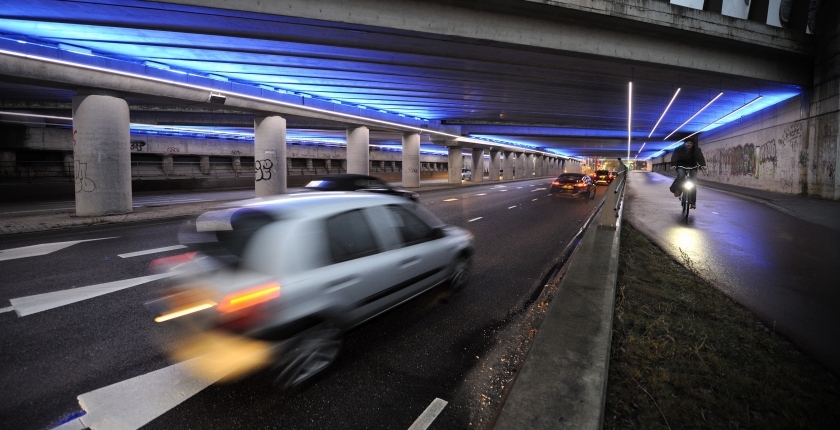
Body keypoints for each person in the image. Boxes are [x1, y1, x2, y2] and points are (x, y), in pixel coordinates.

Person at [669, 137, 707, 209]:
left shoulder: (697, 149)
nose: (689, 144)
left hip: (692, 167)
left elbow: (700, 157)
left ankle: (693, 203)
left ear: (693, 144)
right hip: (681, 166)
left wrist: (703, 165)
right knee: (681, 175)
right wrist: (673, 165)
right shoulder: (678, 149)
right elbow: (674, 157)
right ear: (684, 143)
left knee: (693, 183)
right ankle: (678, 190)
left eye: (690, 143)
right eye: (687, 143)